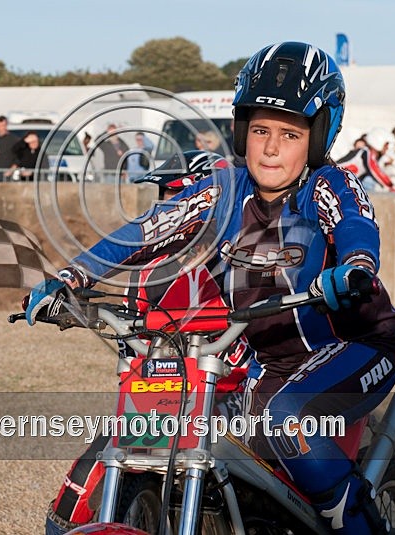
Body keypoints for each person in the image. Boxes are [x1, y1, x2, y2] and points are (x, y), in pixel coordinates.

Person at [30, 42, 395, 534]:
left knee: (281, 417)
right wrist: (71, 276)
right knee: (176, 418)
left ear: (318, 137)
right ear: (240, 130)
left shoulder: (329, 186)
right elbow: (148, 228)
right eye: (260, 130)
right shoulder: (224, 190)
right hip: (264, 360)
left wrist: (355, 267)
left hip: (352, 346)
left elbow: (355, 224)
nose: (271, 147)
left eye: (290, 134)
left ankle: (356, 522)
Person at [44, 151, 254, 534]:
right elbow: (133, 346)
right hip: (169, 397)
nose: (167, 207)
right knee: (88, 474)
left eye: (176, 193)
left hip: (237, 393)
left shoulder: (239, 258)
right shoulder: (145, 272)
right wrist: (76, 304)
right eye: (163, 196)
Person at [336, 127, 394, 191]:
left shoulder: (367, 153)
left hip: (340, 182)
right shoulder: (367, 152)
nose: (387, 147)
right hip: (336, 178)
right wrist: (391, 186)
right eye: (386, 144)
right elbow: (376, 171)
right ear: (378, 142)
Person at [0, 115, 20, 182]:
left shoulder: (14, 139)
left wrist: (11, 170)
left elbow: (19, 157)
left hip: (9, 174)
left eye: (5, 125)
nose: (3, 128)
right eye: (1, 126)